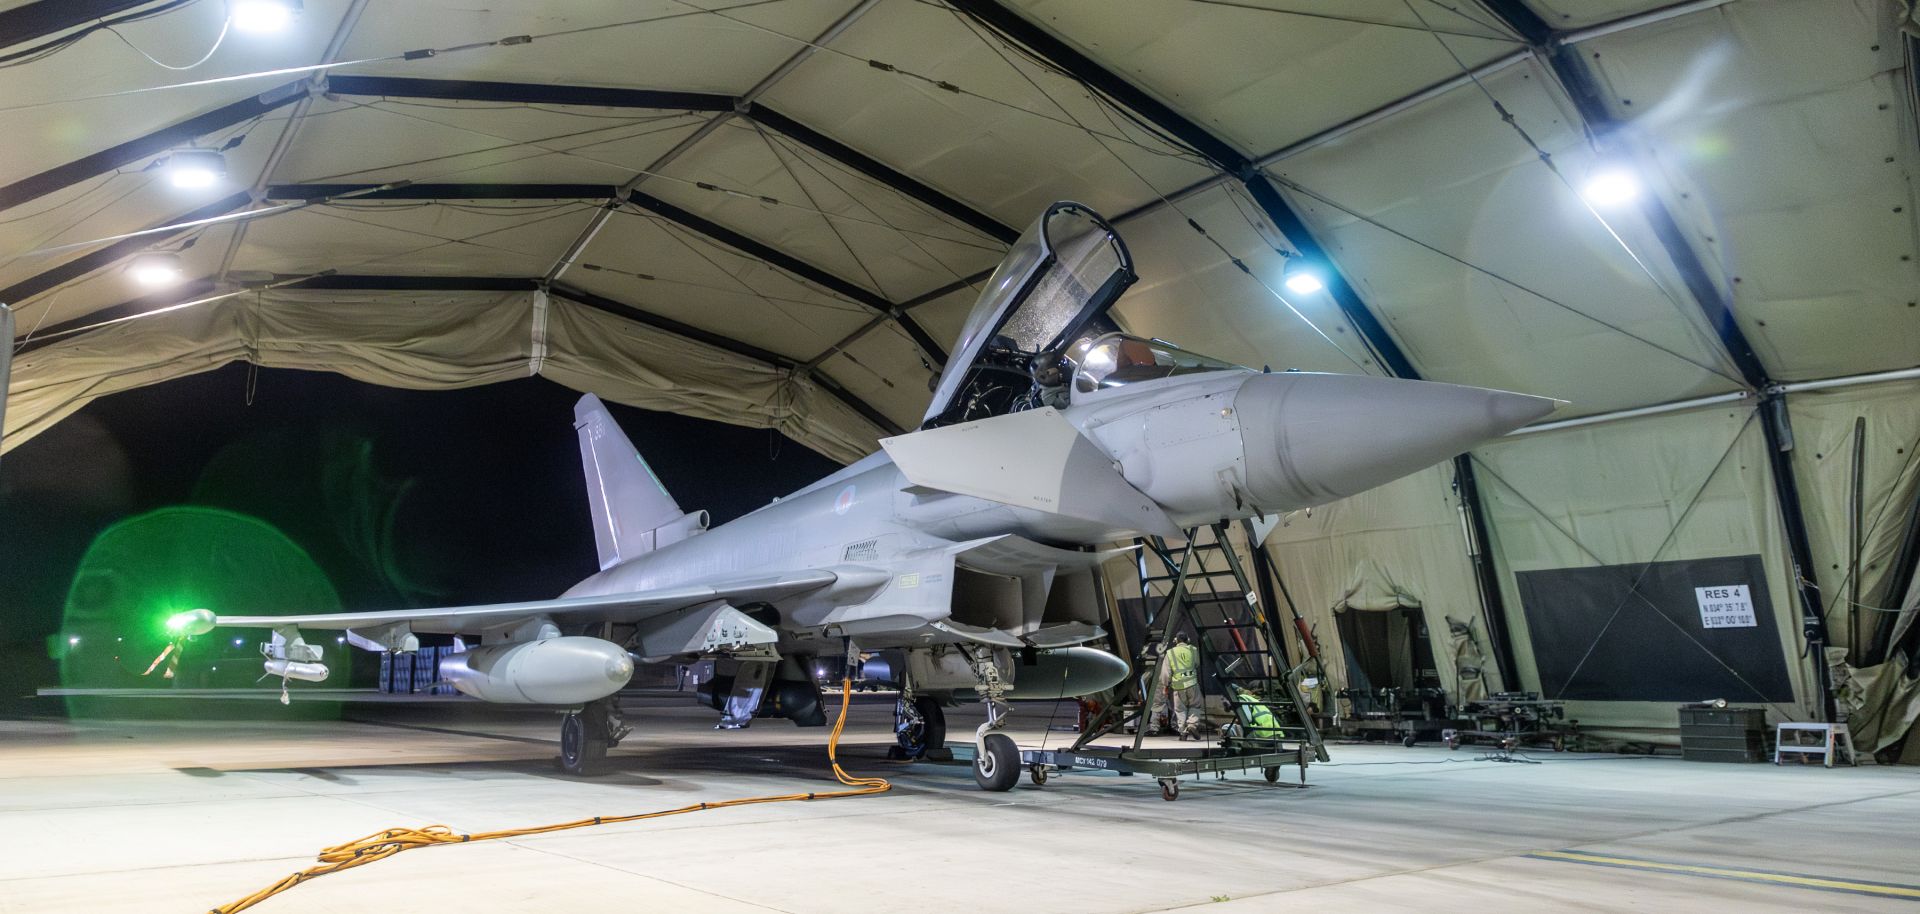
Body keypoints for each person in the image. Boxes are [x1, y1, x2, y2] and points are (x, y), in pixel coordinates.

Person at [1166, 631, 1202, 740]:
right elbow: (1197, 663)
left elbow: (1166, 671)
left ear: (1175, 641)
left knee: (1180, 710)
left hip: (1178, 685)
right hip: (1192, 683)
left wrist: (1165, 685)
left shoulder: (1170, 652)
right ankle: (1191, 725)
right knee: (1195, 705)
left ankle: (1182, 732)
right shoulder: (1193, 650)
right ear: (1188, 640)